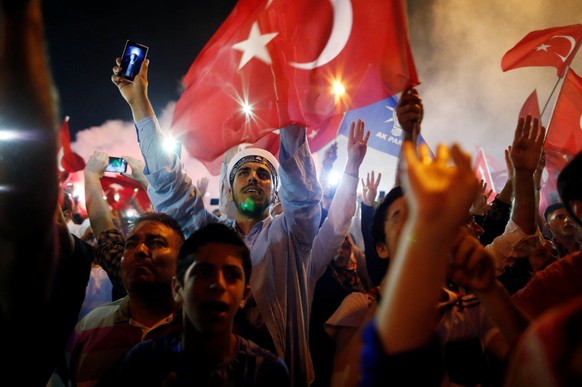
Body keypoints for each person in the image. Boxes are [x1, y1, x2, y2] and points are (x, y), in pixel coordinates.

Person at [112, 56, 322, 386]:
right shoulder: (207, 236)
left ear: (277, 192)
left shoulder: (294, 233)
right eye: (244, 171)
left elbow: (304, 194)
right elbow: (170, 185)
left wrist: (289, 113)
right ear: (228, 185)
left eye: (265, 174)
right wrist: (139, 102)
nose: (254, 177)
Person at [118, 223, 290, 386]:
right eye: (203, 272)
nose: (218, 284)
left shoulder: (266, 371)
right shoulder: (144, 362)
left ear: (244, 296)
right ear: (178, 288)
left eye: (231, 275)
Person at [67, 151, 186, 386]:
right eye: (130, 244)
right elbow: (106, 236)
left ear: (185, 260)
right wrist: (89, 177)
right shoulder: (89, 328)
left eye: (157, 243)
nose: (139, 251)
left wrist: (144, 181)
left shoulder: (205, 323)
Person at [511, 151, 582, 319]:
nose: (567, 220)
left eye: (567, 216)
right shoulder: (556, 279)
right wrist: (529, 178)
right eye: (559, 217)